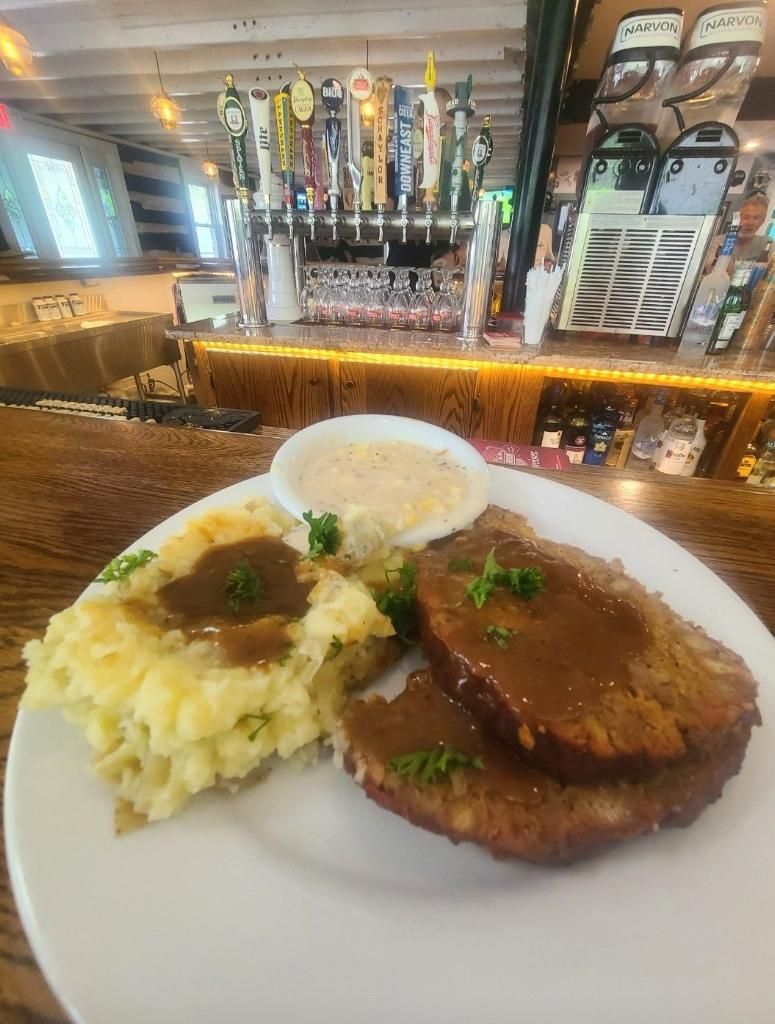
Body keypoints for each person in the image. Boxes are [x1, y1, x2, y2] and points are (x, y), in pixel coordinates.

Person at [705, 193, 771, 276]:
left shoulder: (767, 244)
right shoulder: (718, 242)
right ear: (737, 218)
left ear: (762, 221)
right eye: (746, 217)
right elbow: (720, 273)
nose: (750, 222)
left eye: (756, 218)